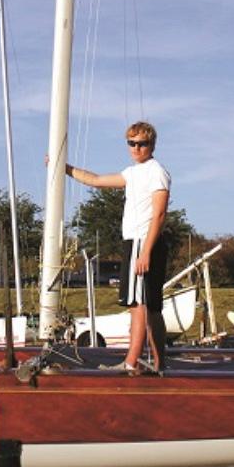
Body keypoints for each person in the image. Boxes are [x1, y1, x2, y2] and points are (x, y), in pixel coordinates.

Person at [64, 121, 169, 373]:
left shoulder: (156, 172)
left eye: (141, 143)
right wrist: (64, 169)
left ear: (152, 145)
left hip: (143, 242)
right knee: (152, 308)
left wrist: (144, 252)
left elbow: (160, 214)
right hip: (137, 243)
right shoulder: (132, 173)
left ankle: (131, 363)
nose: (136, 148)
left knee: (138, 305)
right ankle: (159, 365)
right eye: (131, 143)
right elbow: (97, 180)